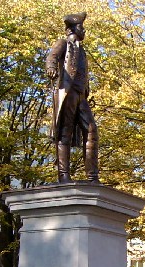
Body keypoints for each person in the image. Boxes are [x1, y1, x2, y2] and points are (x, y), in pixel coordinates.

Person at [46, 12, 99, 183]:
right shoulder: (63, 44)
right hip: (67, 91)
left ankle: (92, 176)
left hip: (80, 95)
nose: (83, 30)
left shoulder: (82, 51)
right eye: (81, 27)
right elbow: (52, 56)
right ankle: (64, 175)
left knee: (91, 130)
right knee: (65, 132)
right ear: (72, 29)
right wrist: (52, 67)